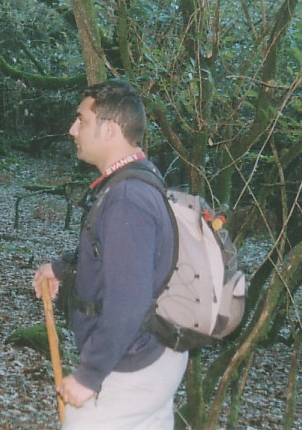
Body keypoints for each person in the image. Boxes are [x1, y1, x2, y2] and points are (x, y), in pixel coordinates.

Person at [33, 80, 188, 429]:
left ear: (109, 129)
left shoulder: (127, 198)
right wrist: (62, 268)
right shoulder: (138, 178)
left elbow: (129, 299)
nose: (72, 129)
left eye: (81, 120)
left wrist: (90, 375)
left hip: (134, 362)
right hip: (157, 354)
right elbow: (117, 256)